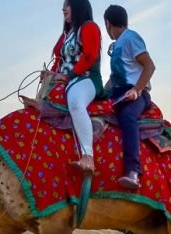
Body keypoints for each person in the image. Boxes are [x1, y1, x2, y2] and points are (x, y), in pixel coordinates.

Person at [30, 0, 103, 174]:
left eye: (68, 4)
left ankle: (88, 156)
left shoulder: (89, 27)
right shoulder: (66, 34)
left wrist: (68, 75)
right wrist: (50, 74)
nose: (64, 8)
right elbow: (59, 61)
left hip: (86, 79)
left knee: (76, 102)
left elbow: (90, 56)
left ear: (78, 6)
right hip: (65, 81)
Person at [103, 5, 156, 189]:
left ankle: (133, 171)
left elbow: (149, 66)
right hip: (117, 93)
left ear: (108, 23)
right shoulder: (117, 45)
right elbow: (115, 77)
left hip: (136, 94)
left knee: (127, 116)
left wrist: (137, 90)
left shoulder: (131, 38)